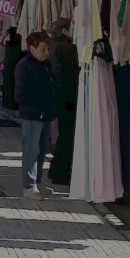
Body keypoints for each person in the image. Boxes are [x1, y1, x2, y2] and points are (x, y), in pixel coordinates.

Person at [15, 30, 59, 199]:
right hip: (32, 116)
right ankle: (29, 185)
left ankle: (38, 181)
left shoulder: (45, 64)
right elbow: (20, 95)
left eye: (48, 49)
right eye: (43, 49)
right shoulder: (24, 66)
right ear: (32, 48)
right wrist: (36, 110)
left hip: (45, 114)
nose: (46, 52)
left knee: (41, 150)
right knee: (31, 150)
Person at [48, 18, 79, 185]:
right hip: (67, 97)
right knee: (67, 135)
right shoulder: (66, 48)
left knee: (63, 134)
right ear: (66, 31)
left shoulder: (54, 46)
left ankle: (57, 170)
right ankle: (60, 172)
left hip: (58, 96)